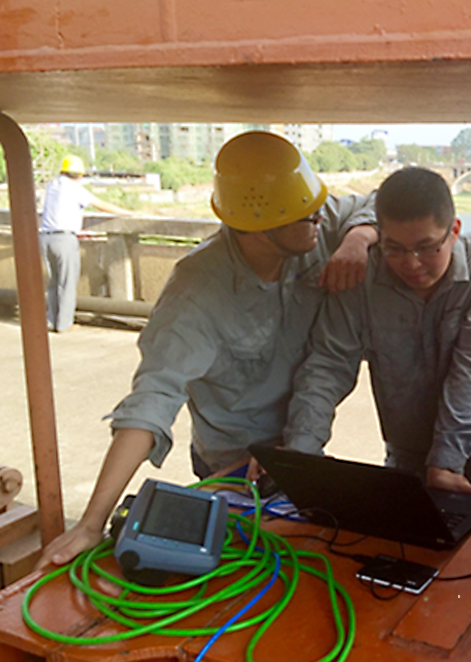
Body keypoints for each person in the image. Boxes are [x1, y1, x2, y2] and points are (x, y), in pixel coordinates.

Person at [38, 131, 378, 568]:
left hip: (302, 446)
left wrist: (359, 238)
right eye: (305, 216)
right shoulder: (196, 292)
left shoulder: (313, 225)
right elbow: (152, 400)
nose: (318, 217)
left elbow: (378, 202)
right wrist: (91, 523)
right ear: (258, 230)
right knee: (239, 574)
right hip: (233, 463)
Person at [284, 167, 471, 497]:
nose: (411, 264)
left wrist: (446, 463)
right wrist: (299, 453)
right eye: (394, 248)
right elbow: (328, 364)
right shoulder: (364, 276)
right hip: (404, 455)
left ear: (454, 230)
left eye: (427, 247)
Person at [40, 155, 136, 332]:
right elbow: (100, 204)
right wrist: (129, 213)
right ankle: (64, 324)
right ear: (79, 175)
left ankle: (51, 321)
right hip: (64, 239)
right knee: (67, 282)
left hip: (46, 238)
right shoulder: (75, 189)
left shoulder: (52, 186)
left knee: (54, 282)